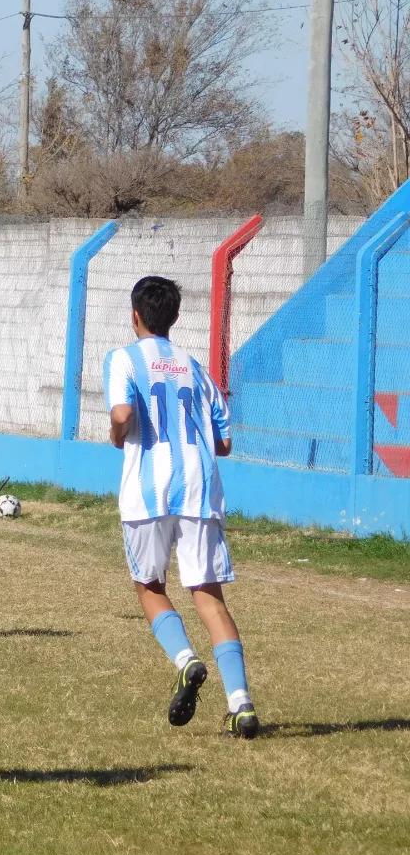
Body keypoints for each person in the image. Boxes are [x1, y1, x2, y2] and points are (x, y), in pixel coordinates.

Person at [104, 275, 259, 739]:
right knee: (209, 596)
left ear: (135, 316)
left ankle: (187, 660)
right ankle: (241, 704)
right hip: (198, 488)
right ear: (173, 317)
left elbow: (122, 414)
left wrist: (117, 435)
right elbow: (224, 442)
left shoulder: (123, 359)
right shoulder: (195, 367)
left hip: (149, 492)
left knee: (150, 585)